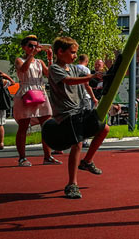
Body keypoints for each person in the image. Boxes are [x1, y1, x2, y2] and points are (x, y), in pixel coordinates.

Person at [48, 36, 109, 199]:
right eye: (72, 52)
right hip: (67, 113)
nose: (75, 56)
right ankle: (72, 184)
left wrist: (96, 86)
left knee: (105, 128)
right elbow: (68, 81)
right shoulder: (55, 69)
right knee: (77, 143)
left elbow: (83, 84)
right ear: (60, 52)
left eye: (76, 53)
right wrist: (91, 76)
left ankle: (87, 161)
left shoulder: (74, 68)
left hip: (80, 109)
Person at [14, 35, 59, 166]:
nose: (33, 48)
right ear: (24, 47)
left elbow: (50, 74)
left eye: (35, 46)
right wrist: (31, 55)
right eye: (30, 46)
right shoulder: (19, 60)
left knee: (47, 125)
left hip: (40, 92)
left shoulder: (39, 62)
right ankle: (22, 158)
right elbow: (23, 69)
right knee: (23, 126)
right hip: (25, 92)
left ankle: (48, 156)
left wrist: (50, 59)